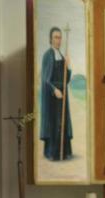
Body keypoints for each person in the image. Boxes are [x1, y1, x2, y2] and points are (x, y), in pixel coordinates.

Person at [39, 26, 73, 161]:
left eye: (60, 37)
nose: (58, 40)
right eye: (56, 37)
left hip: (63, 94)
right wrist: (54, 90)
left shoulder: (62, 55)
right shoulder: (48, 55)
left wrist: (68, 66)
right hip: (52, 97)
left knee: (62, 123)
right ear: (50, 39)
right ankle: (52, 153)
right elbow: (45, 79)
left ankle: (63, 152)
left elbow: (67, 79)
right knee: (54, 123)